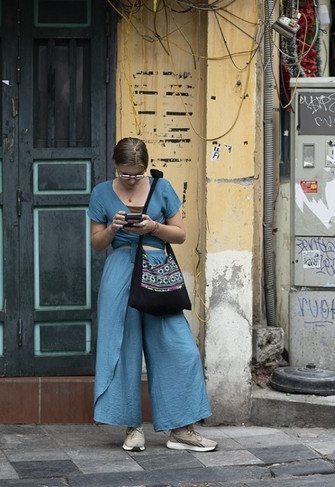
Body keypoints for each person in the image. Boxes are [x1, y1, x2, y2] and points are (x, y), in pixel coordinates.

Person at [88, 137, 216, 453]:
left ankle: (182, 430)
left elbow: (181, 234)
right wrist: (113, 227)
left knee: (180, 349)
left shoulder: (162, 187)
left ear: (146, 167)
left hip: (157, 273)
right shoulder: (101, 193)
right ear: (115, 166)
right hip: (120, 275)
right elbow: (96, 243)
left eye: (138, 173)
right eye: (125, 173)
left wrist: (153, 227)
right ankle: (132, 429)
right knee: (124, 349)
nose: (132, 179)